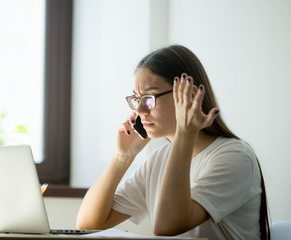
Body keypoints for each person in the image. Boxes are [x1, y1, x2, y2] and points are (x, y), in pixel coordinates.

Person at [76, 45, 270, 239]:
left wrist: (185, 134)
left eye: (149, 98)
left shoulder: (235, 156)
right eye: (137, 99)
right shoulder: (157, 160)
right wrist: (122, 158)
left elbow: (168, 227)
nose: (141, 111)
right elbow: (88, 225)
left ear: (190, 95)